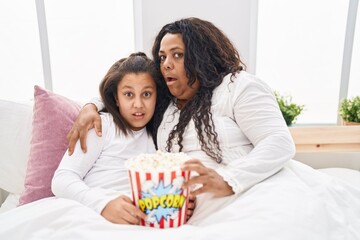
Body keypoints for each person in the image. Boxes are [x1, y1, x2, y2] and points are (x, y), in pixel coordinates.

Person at [67, 17, 296, 221]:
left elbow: (278, 141)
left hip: (247, 196)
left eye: (177, 54)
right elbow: (131, 84)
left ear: (202, 57)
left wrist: (229, 180)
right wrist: (93, 106)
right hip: (189, 217)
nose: (166, 63)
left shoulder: (237, 86)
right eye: (163, 57)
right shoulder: (166, 103)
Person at [52, 52, 164, 225]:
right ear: (116, 99)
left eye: (147, 94)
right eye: (128, 94)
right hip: (93, 212)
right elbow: (62, 179)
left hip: (138, 219)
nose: (138, 104)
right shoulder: (101, 126)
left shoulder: (161, 133)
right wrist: (103, 205)